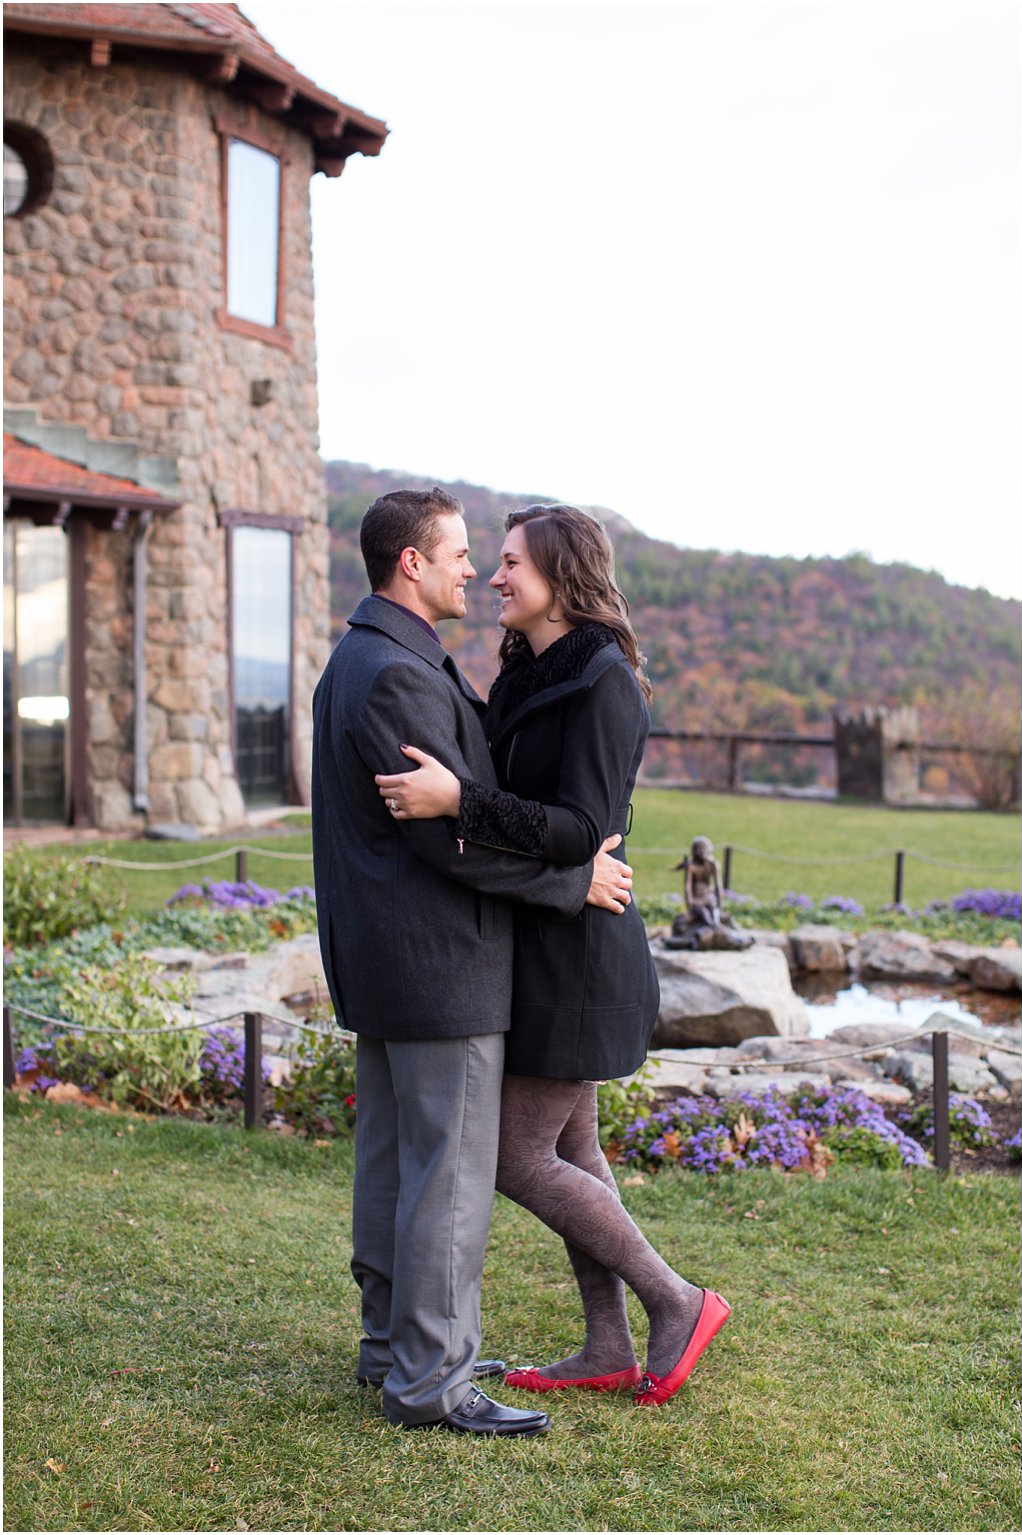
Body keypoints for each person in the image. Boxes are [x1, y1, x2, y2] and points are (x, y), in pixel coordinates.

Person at [375, 503, 730, 1408]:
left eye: (510, 563)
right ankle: (608, 1342)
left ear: (559, 578)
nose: (494, 576)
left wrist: (461, 800)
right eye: (489, 561)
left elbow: (579, 830)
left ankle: (677, 1301)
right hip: (546, 941)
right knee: (574, 1146)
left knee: (512, 1156)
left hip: (582, 953)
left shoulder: (607, 683)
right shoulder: (529, 669)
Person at [312, 487, 635, 1437]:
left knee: (395, 1168)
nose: (474, 569)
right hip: (440, 964)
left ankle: (391, 1351)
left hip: (392, 964)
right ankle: (431, 1380)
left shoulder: (372, 657)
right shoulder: (397, 676)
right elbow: (442, 840)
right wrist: (568, 886)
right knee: (446, 1179)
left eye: (491, 559)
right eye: (459, 552)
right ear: (411, 562)